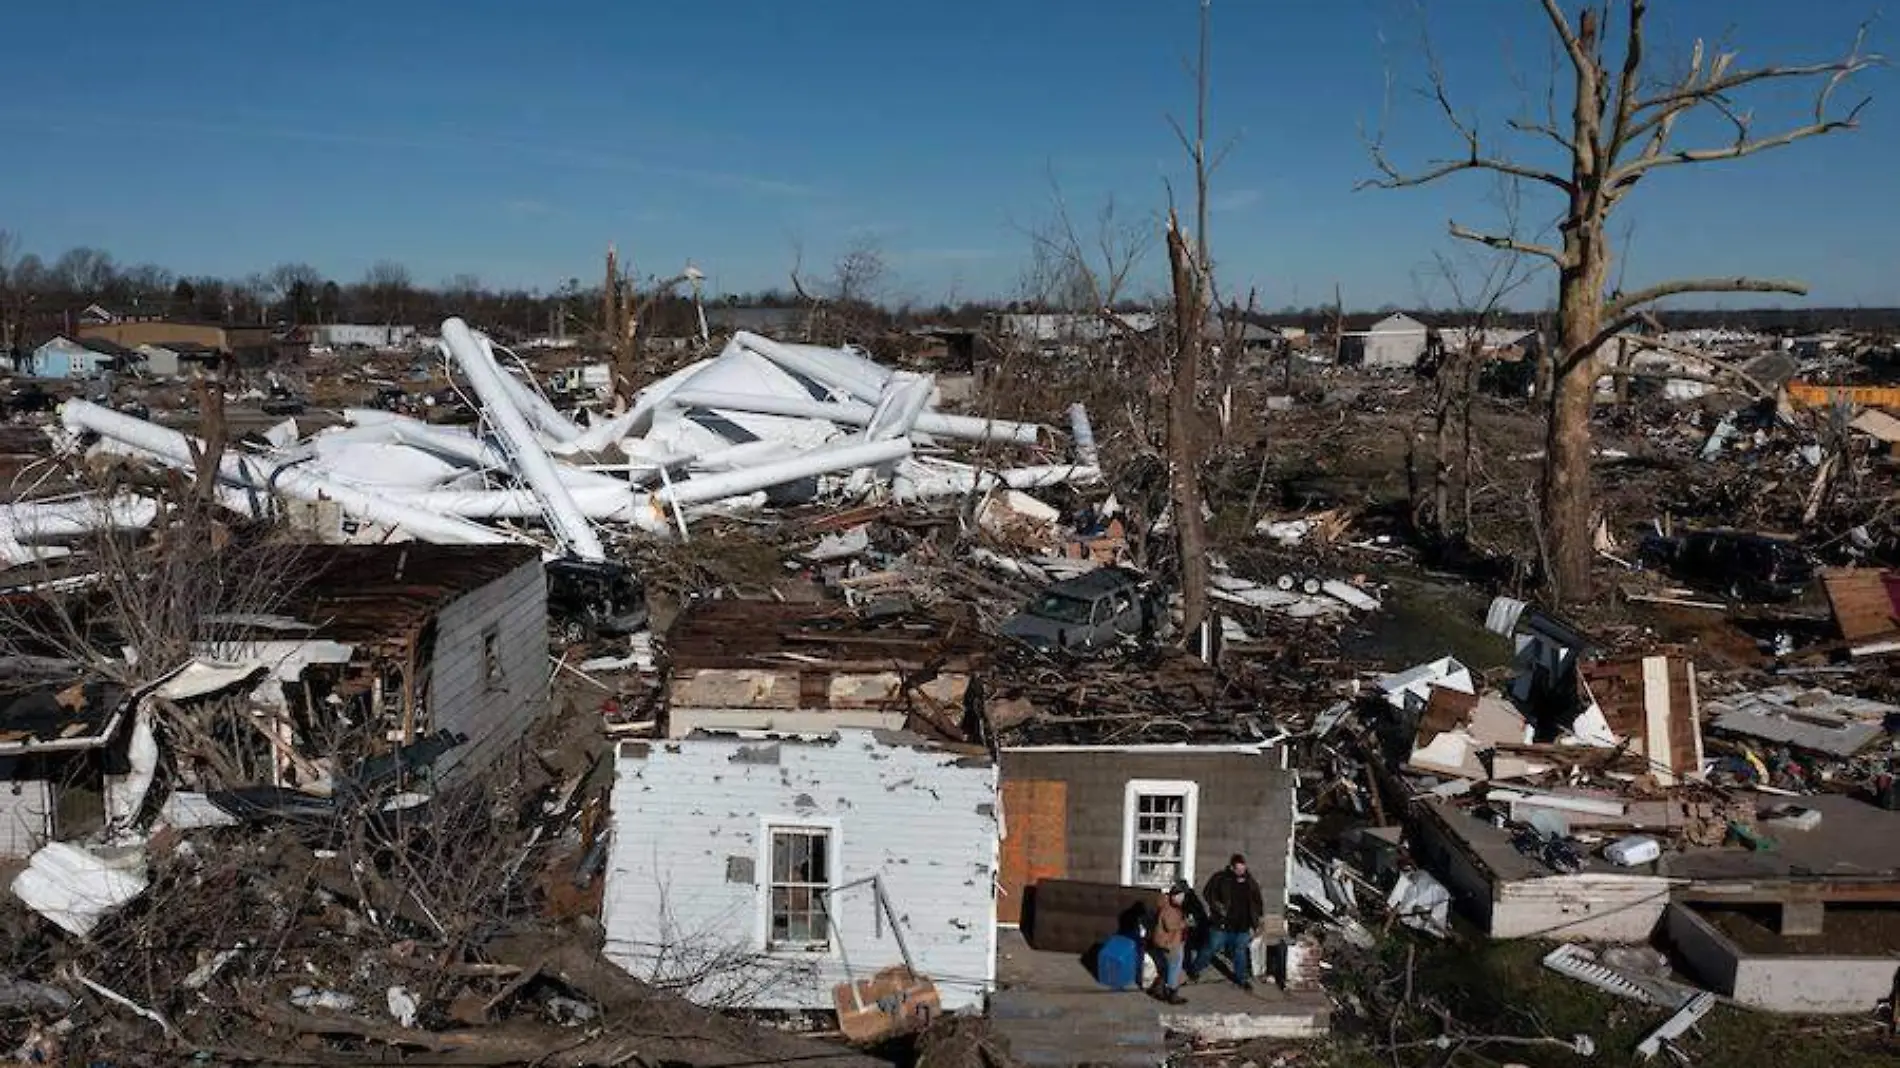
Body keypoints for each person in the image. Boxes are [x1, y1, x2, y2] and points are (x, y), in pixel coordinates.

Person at [1192, 854, 1265, 991]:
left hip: (1243, 925)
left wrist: (1258, 920)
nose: (1241, 872)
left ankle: (1241, 979)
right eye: (1238, 869)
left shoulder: (1250, 881)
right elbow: (1208, 893)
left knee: (1240, 952)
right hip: (1222, 924)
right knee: (1211, 948)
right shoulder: (1221, 878)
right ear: (1232, 867)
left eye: (1243, 869)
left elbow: (1257, 901)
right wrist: (1218, 907)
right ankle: (1195, 969)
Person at [1145, 880, 1191, 1004]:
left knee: (1166, 967)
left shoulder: (1167, 904)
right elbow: (1170, 925)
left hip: (1166, 941)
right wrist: (1185, 923)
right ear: (1174, 895)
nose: (1183, 899)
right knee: (1174, 968)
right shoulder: (1170, 908)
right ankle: (1172, 994)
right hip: (1170, 943)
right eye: (1181, 896)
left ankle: (1157, 989)